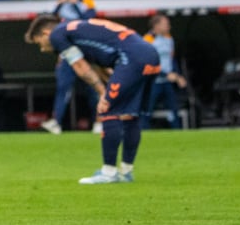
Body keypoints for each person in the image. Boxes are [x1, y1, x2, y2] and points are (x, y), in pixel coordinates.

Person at [25, 14, 161, 184]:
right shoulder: (79, 32)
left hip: (131, 58)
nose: (43, 49)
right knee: (129, 115)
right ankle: (126, 172)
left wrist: (103, 92)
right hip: (149, 55)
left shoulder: (57, 35)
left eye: (39, 43)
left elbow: (80, 67)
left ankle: (109, 172)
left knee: (107, 110)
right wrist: (108, 87)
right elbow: (98, 66)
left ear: (45, 33)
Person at [43, 0, 100, 135]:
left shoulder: (87, 2)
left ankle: (98, 121)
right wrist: (59, 5)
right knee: (63, 87)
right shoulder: (62, 4)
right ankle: (57, 122)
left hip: (85, 51)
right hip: (67, 51)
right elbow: (49, 20)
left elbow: (88, 22)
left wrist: (75, 5)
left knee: (92, 87)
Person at [142, 15, 188, 129]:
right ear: (156, 25)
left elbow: (171, 59)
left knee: (174, 109)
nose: (169, 27)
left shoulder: (169, 38)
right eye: (166, 24)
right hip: (153, 82)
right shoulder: (147, 40)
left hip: (167, 81)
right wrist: (166, 74)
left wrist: (178, 75)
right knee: (147, 110)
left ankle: (178, 135)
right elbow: (148, 64)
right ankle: (143, 134)